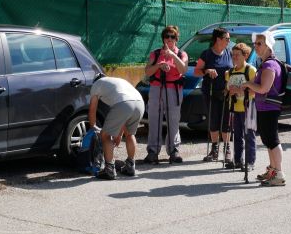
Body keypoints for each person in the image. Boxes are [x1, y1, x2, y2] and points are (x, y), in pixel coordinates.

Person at [242, 31, 286, 186]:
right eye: (255, 43)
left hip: (270, 107)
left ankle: (279, 173)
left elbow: (263, 88)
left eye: (259, 43)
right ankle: (273, 170)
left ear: (268, 46)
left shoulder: (269, 65)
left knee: (272, 140)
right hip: (264, 107)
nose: (256, 46)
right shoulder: (265, 64)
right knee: (268, 140)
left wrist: (248, 84)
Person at [144, 25, 188, 164]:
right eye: (167, 36)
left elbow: (183, 69)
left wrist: (172, 55)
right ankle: (152, 151)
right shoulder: (156, 53)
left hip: (173, 89)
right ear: (163, 38)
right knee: (154, 119)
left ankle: (173, 150)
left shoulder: (181, 54)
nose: (169, 39)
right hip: (157, 88)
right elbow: (148, 71)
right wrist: (159, 65)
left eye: (172, 37)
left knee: (173, 120)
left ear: (176, 39)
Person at [89, 73, 145, 180]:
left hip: (124, 103)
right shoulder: (116, 82)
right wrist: (119, 135)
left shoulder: (97, 84)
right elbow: (123, 117)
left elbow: (92, 108)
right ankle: (130, 166)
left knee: (105, 135)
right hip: (139, 103)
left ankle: (109, 169)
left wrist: (93, 126)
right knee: (130, 134)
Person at [194, 27, 233, 162]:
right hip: (210, 91)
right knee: (214, 120)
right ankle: (214, 149)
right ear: (218, 39)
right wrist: (207, 70)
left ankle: (227, 149)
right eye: (227, 38)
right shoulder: (206, 54)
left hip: (226, 92)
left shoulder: (229, 53)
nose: (229, 41)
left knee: (226, 121)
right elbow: (197, 71)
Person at [225, 43, 257, 171]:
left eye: (238, 55)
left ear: (245, 55)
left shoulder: (251, 70)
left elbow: (256, 91)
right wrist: (228, 91)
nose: (234, 57)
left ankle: (250, 162)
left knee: (249, 135)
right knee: (237, 135)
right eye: (233, 55)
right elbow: (227, 89)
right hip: (234, 107)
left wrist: (239, 90)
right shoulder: (230, 72)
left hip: (249, 108)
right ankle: (238, 160)